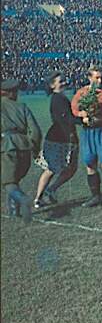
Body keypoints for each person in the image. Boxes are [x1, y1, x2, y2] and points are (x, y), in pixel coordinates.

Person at [71, 65, 102, 209]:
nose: (100, 80)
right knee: (90, 164)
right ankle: (95, 196)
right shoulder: (82, 93)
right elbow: (74, 109)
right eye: (97, 77)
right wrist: (81, 115)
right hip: (88, 132)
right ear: (89, 77)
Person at [33, 72, 80, 208]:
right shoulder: (57, 99)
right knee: (56, 168)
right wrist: (83, 119)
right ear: (52, 85)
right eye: (61, 81)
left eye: (64, 80)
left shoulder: (59, 97)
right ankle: (42, 195)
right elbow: (66, 119)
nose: (64, 82)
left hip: (62, 138)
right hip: (60, 138)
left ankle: (46, 193)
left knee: (61, 169)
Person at [1, 78, 42, 224]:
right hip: (24, 146)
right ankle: (14, 210)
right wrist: (34, 147)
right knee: (14, 178)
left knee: (8, 181)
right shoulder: (22, 107)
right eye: (15, 91)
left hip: (6, 147)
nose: (17, 94)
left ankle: (23, 200)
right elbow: (35, 130)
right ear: (8, 93)